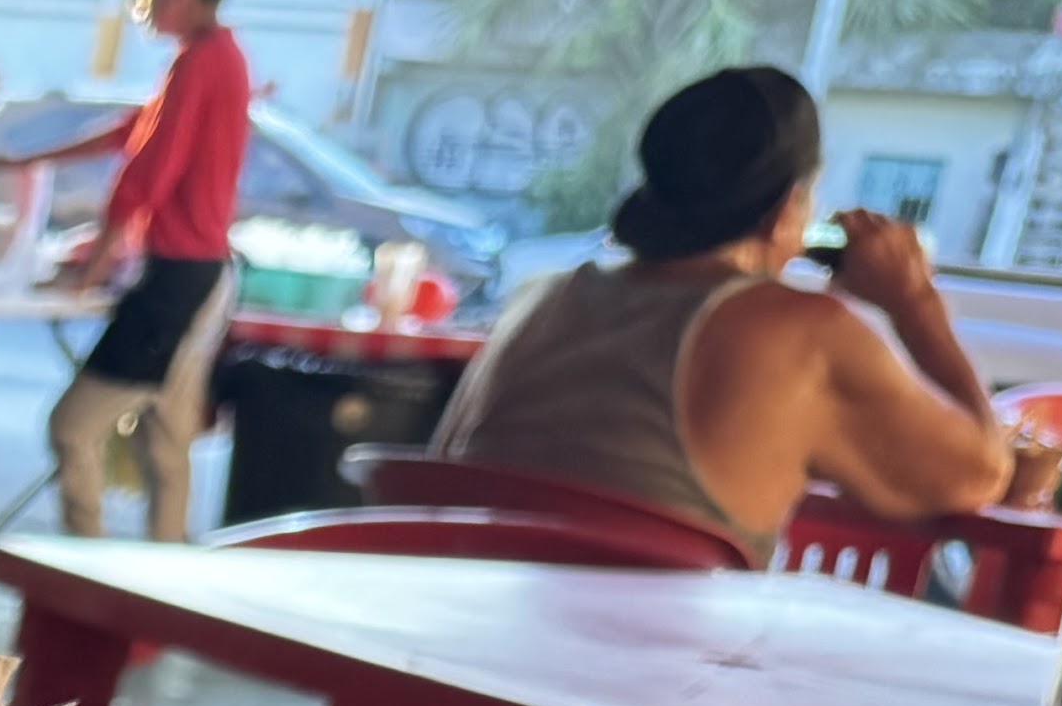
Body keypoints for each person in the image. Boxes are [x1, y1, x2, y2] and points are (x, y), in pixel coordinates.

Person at [431, 64, 1009, 559]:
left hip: (464, 643)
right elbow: (979, 474)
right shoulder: (801, 331)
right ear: (786, 211)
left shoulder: (541, 299)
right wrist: (914, 303)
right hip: (646, 652)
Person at [36, 0, 253, 541]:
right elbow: (135, 133)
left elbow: (145, 175)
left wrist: (96, 265)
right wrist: (31, 158)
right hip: (205, 276)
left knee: (72, 429)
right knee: (166, 444)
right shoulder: (219, 58)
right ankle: (158, 578)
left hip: (178, 281)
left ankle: (84, 569)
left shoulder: (201, 63)